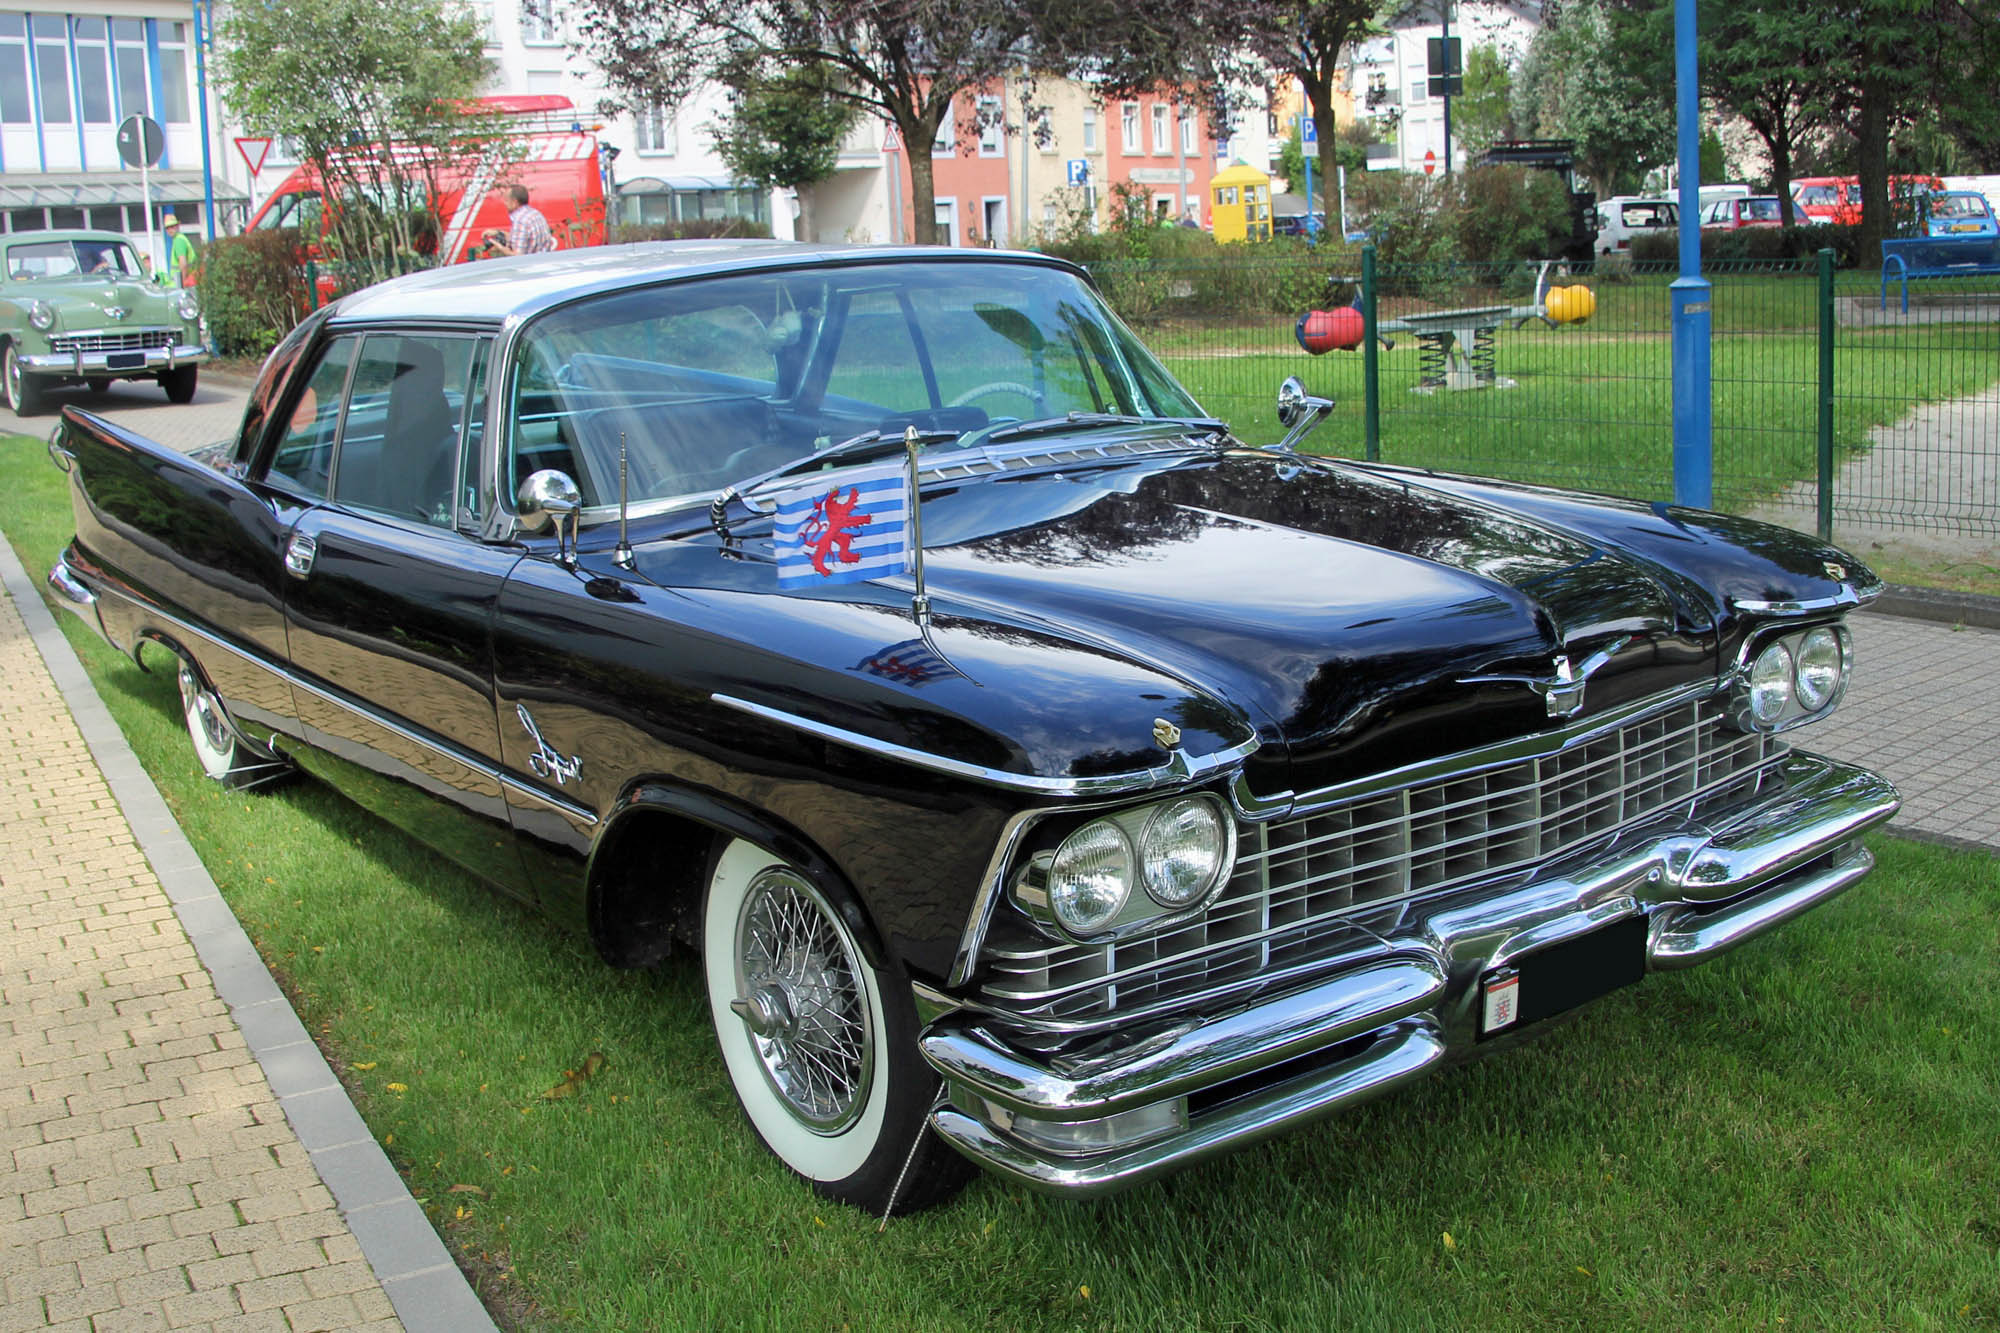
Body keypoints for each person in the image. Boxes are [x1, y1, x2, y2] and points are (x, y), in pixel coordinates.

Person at [482, 184, 557, 257]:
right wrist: (498, 233)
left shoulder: (520, 221)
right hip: (543, 261)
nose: (504, 203)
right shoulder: (535, 213)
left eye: (506, 200)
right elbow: (524, 238)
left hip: (530, 267)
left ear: (514, 202)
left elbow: (518, 257)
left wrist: (500, 248)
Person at [163, 213, 197, 287]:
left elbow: (183, 263)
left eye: (172, 227)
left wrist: (182, 283)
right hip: (188, 281)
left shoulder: (178, 240)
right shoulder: (180, 238)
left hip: (180, 284)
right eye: (167, 228)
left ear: (177, 226)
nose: (169, 230)